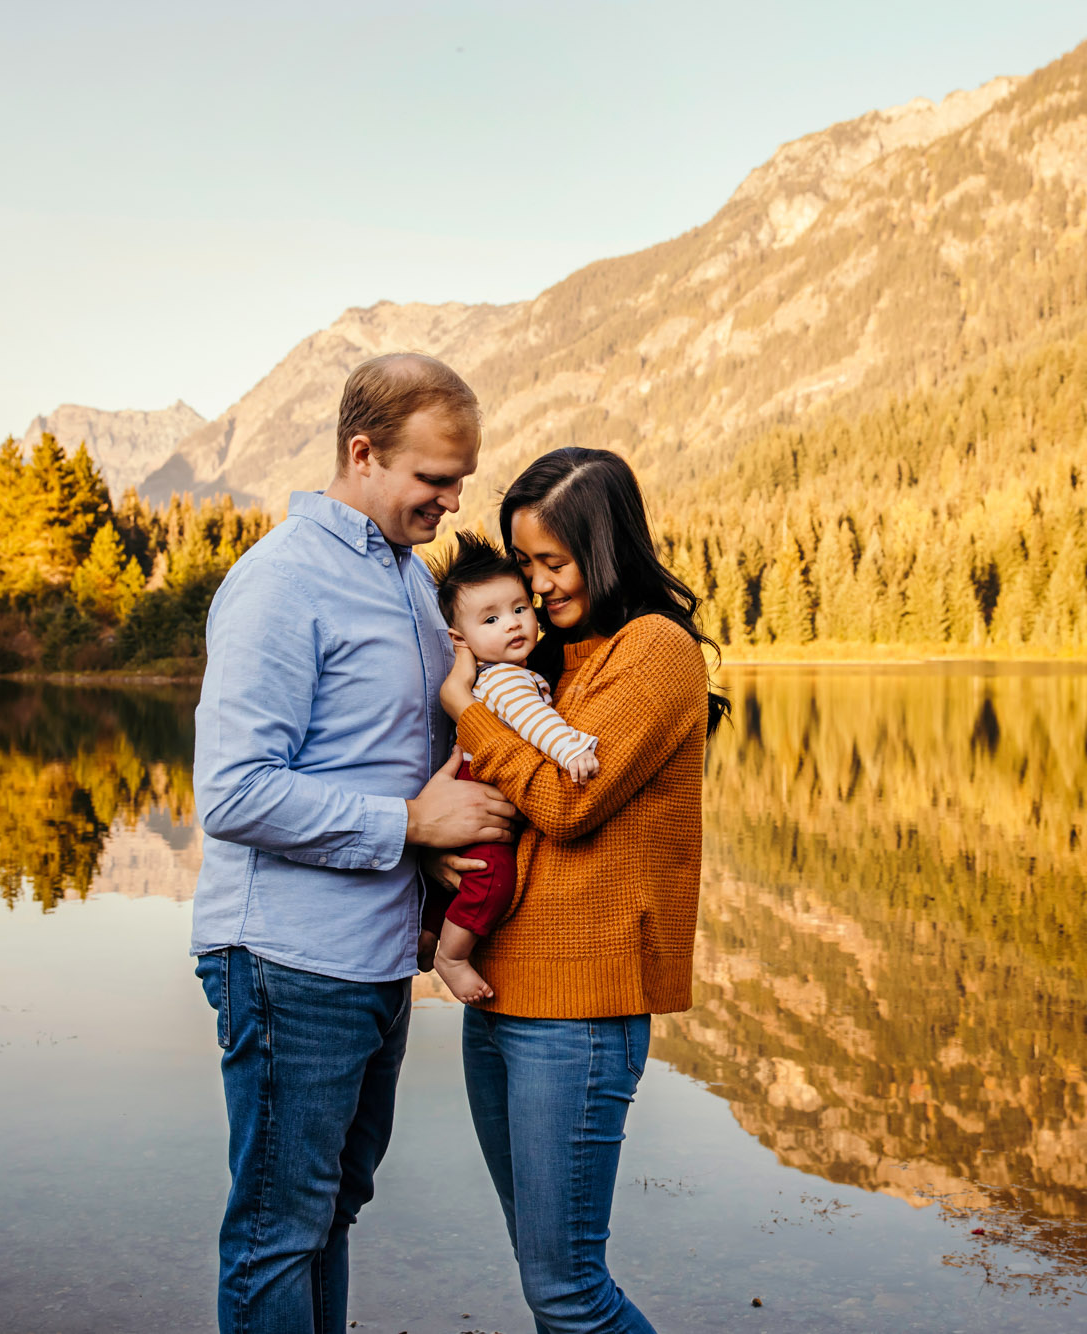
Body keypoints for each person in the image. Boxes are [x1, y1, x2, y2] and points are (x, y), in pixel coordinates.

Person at [190, 352, 511, 1334]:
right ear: (361, 452)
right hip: (287, 956)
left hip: (372, 957)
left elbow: (391, 757)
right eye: (432, 479)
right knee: (278, 1229)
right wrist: (411, 826)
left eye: (460, 480)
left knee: (330, 1211)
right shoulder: (281, 582)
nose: (452, 503)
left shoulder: (413, 583)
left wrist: (430, 885)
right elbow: (234, 791)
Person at [437, 446, 730, 1334]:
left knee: (568, 1290)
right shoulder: (550, 659)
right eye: (525, 564)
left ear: (604, 549)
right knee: (544, 1277)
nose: (537, 585)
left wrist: (467, 709)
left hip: (581, 1007)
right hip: (501, 993)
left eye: (552, 563)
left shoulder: (656, 652)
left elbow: (568, 800)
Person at [426, 531, 601, 1004]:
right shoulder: (506, 681)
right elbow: (537, 723)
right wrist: (571, 750)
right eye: (492, 618)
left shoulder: (509, 674)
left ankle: (429, 931)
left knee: (466, 872)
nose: (512, 624)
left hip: (479, 787)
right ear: (461, 640)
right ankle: (453, 957)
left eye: (520, 609)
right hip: (483, 791)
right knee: (493, 877)